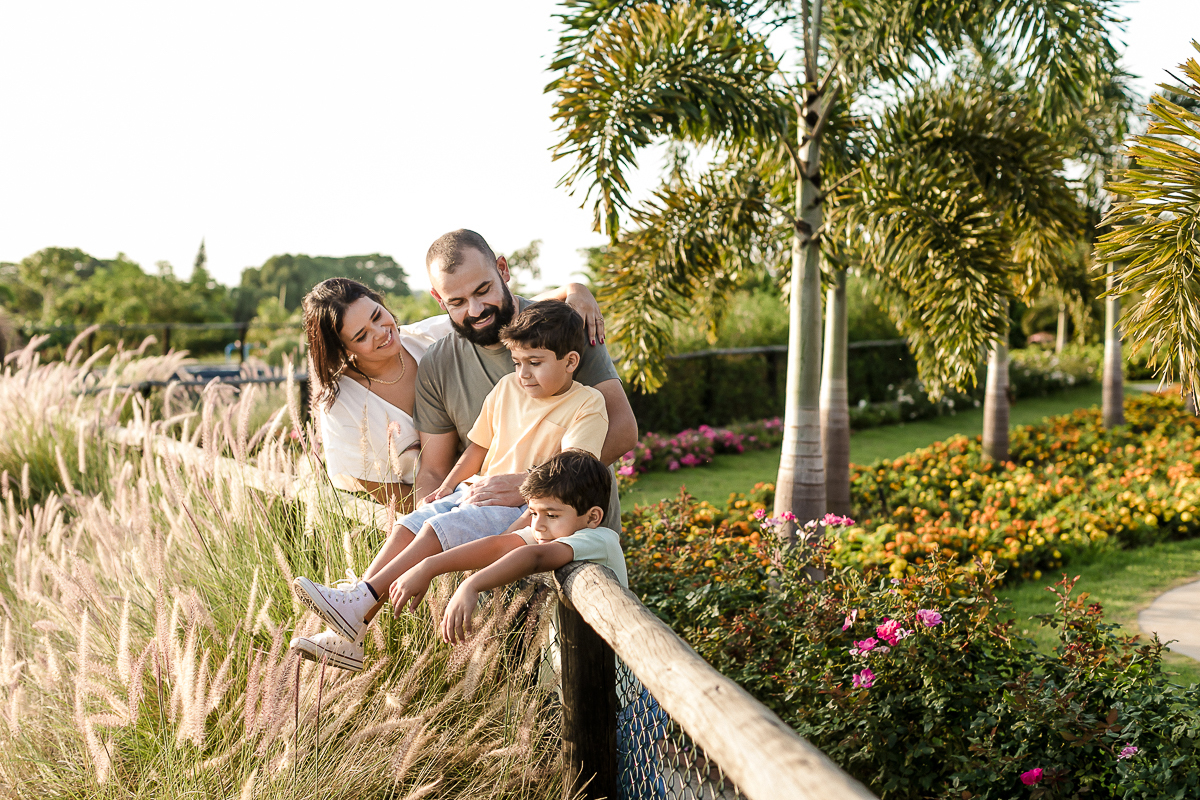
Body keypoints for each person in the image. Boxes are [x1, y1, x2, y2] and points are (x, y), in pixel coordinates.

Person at [290, 299, 609, 670]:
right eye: (517, 362)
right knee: (407, 525)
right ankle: (354, 628)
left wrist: (575, 288)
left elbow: (573, 470)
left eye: (534, 364)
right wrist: (449, 485)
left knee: (433, 529)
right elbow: (477, 448)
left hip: (521, 508)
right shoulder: (508, 387)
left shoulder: (587, 403)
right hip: (476, 490)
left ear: (570, 362)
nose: (523, 374)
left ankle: (360, 603)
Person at [302, 275, 606, 509]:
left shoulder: (433, 338)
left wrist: (574, 289)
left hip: (493, 490)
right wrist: (439, 510)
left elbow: (516, 310)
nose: (381, 332)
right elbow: (368, 482)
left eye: (376, 316)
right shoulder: (341, 402)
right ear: (342, 349)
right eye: (362, 335)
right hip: (442, 506)